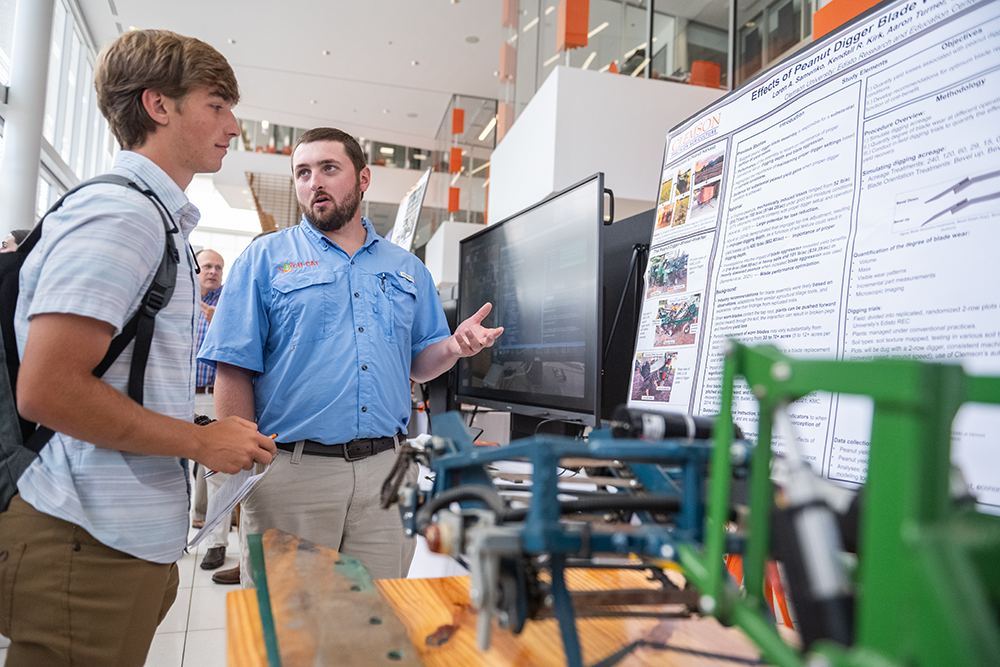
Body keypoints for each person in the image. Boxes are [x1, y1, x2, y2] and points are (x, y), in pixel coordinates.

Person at [0, 29, 276, 667]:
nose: (232, 125)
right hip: (84, 534)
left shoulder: (151, 216)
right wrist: (201, 443)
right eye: (216, 104)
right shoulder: (122, 216)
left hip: (109, 536)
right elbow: (49, 388)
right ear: (158, 105)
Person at [199, 127, 502, 587]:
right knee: (289, 622)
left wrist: (455, 348)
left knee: (377, 619)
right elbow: (233, 364)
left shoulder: (407, 268)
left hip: (388, 474)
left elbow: (419, 363)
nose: (314, 182)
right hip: (293, 472)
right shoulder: (265, 258)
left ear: (363, 179)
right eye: (303, 172)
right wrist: (250, 464)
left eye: (328, 168)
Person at [191, 248, 234, 571]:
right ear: (195, 269)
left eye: (218, 267)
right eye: (207, 266)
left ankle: (216, 543)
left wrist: (220, 320)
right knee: (172, 468)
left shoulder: (229, 303)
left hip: (211, 396)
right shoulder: (179, 298)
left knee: (216, 471)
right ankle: (173, 539)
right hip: (176, 395)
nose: (213, 272)